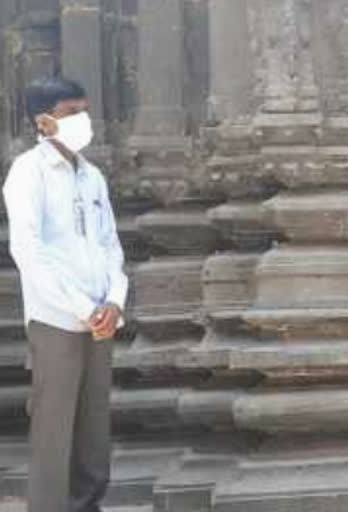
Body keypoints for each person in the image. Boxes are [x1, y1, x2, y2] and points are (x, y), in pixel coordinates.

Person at [3, 76, 127, 512]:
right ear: (44, 121)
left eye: (84, 110)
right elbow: (29, 251)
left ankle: (88, 504)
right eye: (71, 112)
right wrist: (82, 307)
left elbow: (110, 243)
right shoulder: (27, 172)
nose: (82, 120)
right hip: (57, 319)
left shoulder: (91, 176)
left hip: (100, 317)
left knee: (94, 425)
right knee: (55, 427)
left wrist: (115, 300)